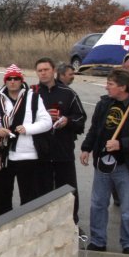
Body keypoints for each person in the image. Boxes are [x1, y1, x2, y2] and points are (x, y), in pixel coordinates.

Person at [0, 64, 53, 215]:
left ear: (21, 80)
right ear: (5, 81)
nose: (12, 82)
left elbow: (47, 122)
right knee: (2, 198)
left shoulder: (34, 97)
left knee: (29, 198)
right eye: (9, 79)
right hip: (4, 155)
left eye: (16, 78)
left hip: (28, 155)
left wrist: (28, 129)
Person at [79, 68, 129, 253]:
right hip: (103, 163)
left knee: (127, 209)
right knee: (98, 204)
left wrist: (122, 144)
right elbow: (94, 129)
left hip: (125, 165)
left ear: (123, 87)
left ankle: (128, 244)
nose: (106, 87)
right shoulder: (104, 104)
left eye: (111, 84)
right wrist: (86, 148)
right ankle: (98, 241)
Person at [34, 57, 87, 223]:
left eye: (46, 70)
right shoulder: (32, 93)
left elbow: (81, 118)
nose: (43, 73)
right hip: (40, 152)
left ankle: (71, 223)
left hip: (63, 151)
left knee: (68, 191)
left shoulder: (68, 93)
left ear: (53, 70)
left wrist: (67, 121)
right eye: (40, 70)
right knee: (42, 192)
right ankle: (44, 225)